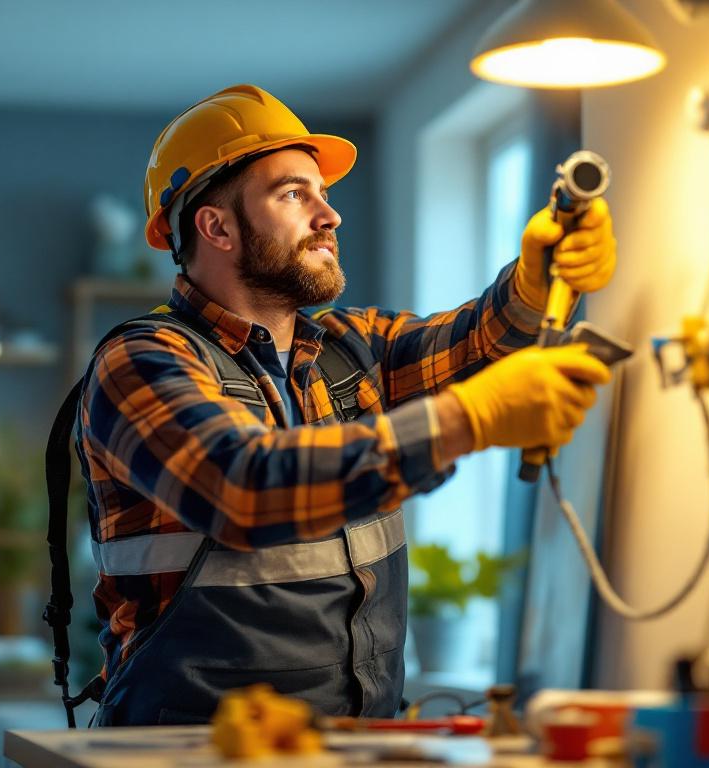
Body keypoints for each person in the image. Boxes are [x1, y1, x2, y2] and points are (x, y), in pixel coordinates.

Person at [76, 84, 617, 726]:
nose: (329, 215)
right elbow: (241, 487)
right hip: (186, 758)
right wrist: (459, 421)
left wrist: (534, 283)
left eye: (322, 194)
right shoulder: (143, 361)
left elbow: (479, 342)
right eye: (293, 194)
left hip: (358, 746)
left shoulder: (347, 348)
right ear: (215, 226)